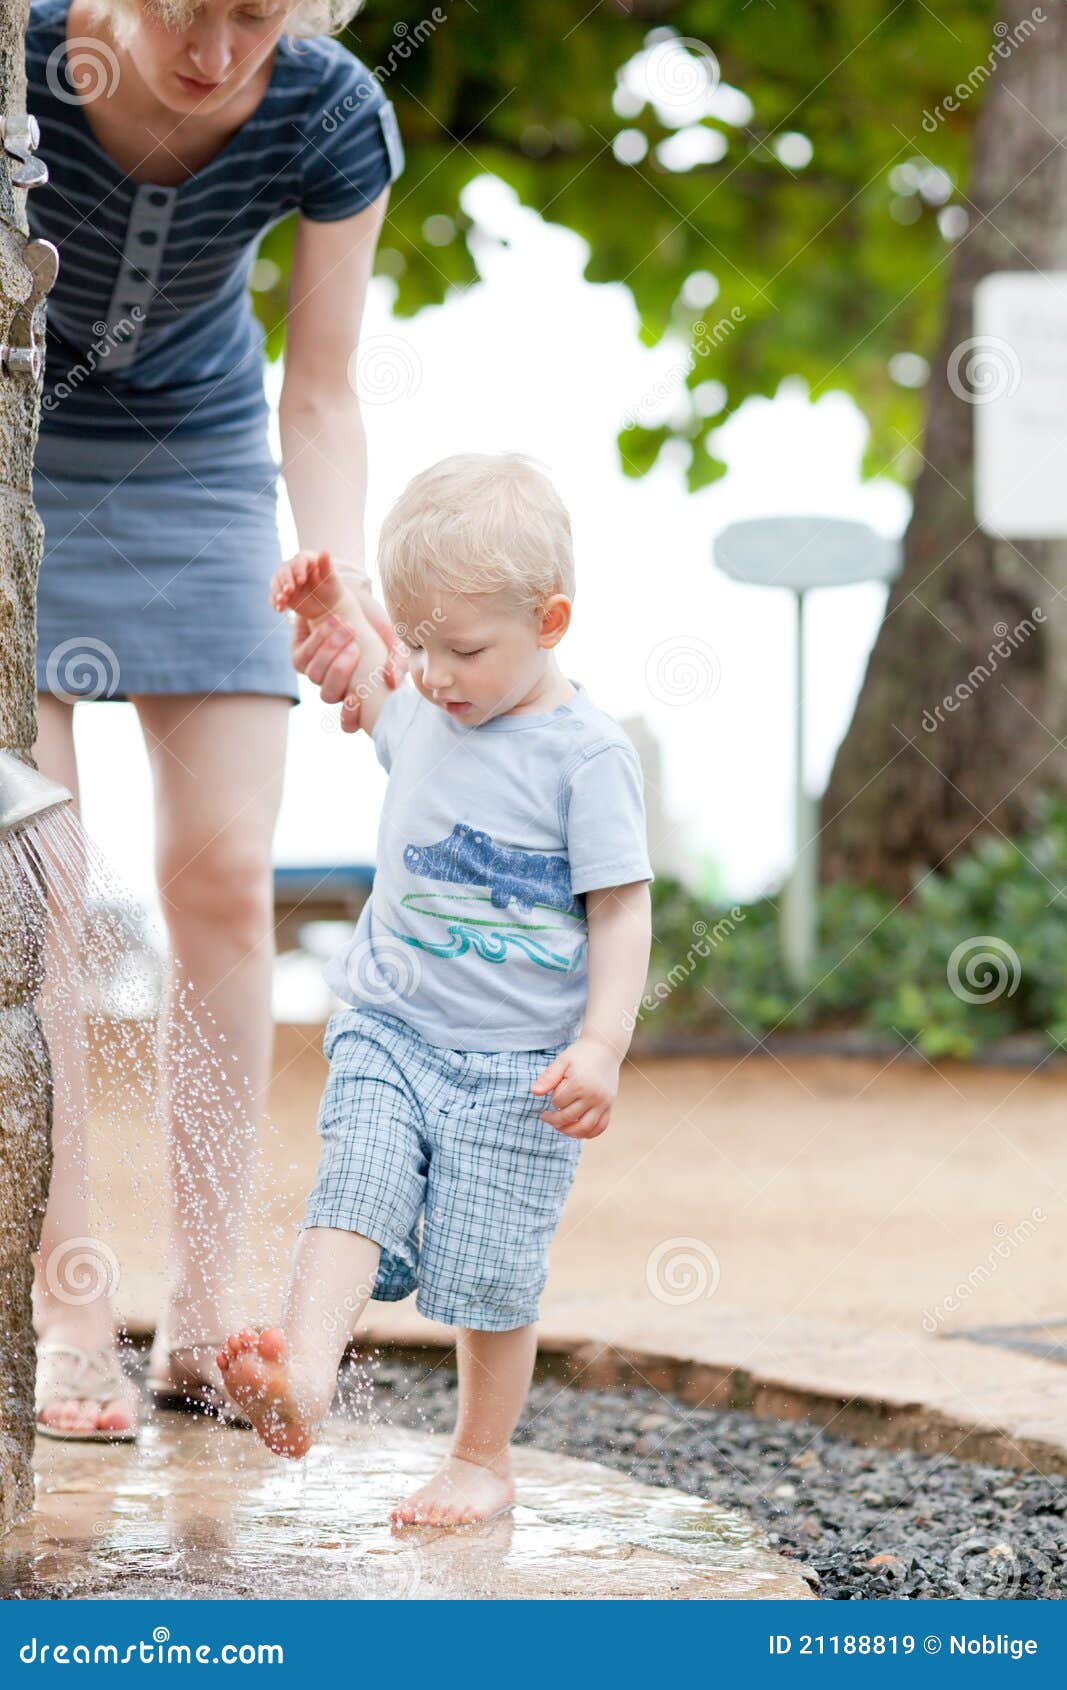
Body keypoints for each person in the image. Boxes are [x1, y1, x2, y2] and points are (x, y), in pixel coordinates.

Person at [26, 0, 404, 1439]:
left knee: (223, 878)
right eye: (192, 7)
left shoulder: (327, 113)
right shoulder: (20, 60)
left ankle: (200, 1309)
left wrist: (342, 581)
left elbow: (319, 390)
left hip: (200, 469)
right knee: (36, 890)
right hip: (19, 456)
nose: (217, 50)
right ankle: (69, 1315)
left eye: (259, 15)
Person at [216, 453, 654, 1525]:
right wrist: (331, 609)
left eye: (462, 649)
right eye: (418, 643)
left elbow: (621, 907)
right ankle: (304, 1376)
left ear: (550, 622)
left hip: (520, 1066)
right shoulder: (419, 702)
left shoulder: (583, 755)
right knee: (354, 1180)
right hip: (392, 1026)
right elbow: (366, 673)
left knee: (491, 1268)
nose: (436, 672)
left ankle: (479, 1459)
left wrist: (600, 1046)